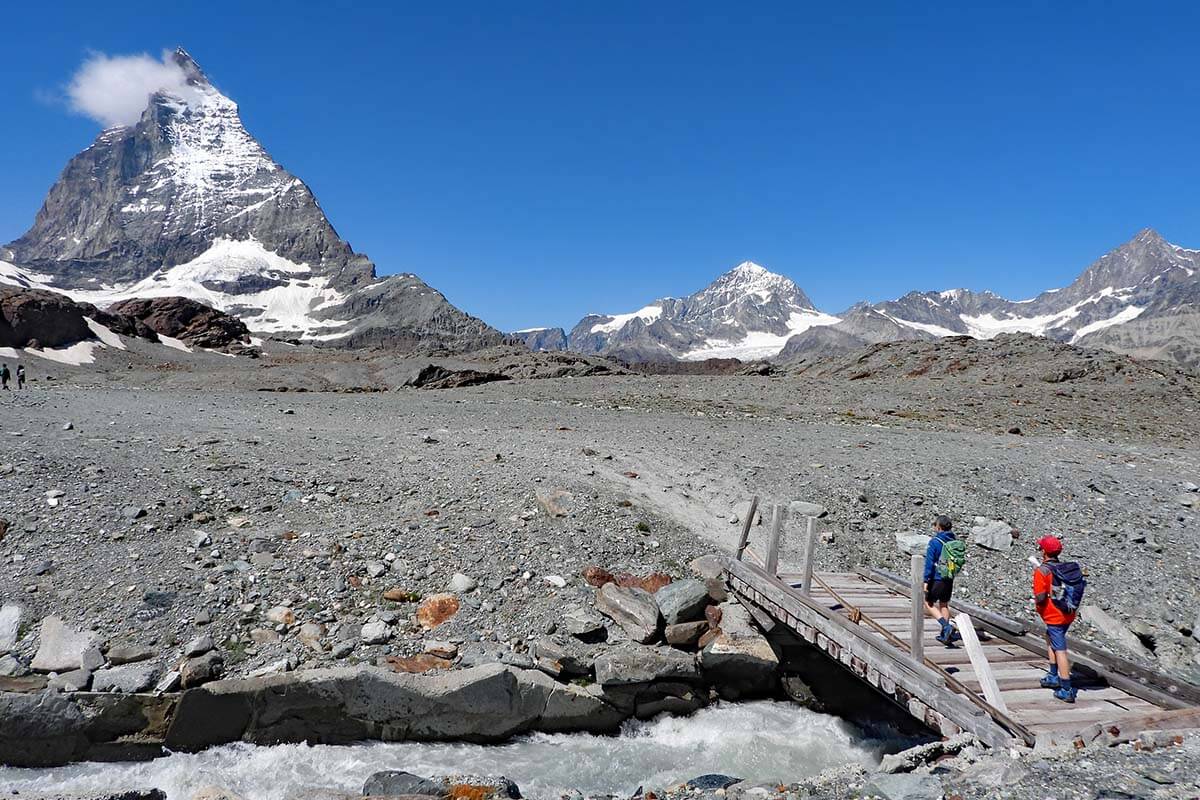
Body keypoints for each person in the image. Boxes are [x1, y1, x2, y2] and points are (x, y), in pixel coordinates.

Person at [1033, 535, 1086, 703]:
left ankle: (1066, 688)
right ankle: (1053, 674)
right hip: (1068, 612)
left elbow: (1041, 597)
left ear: (1044, 552)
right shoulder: (1066, 568)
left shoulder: (1042, 571)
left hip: (1053, 614)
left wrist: (1037, 598)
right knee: (1050, 637)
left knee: (1060, 648)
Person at [924, 515, 966, 645]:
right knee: (944, 604)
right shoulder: (953, 541)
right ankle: (945, 635)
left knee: (928, 603)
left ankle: (946, 626)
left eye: (935, 525)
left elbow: (929, 563)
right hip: (949, 578)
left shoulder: (935, 542)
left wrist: (925, 581)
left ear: (939, 527)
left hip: (937, 578)